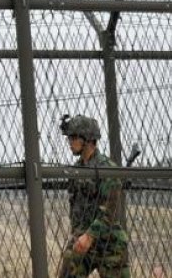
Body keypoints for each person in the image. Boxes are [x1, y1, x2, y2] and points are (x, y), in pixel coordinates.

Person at [56, 114, 130, 278]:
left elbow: (109, 212)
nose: (70, 142)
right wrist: (78, 233)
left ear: (88, 140)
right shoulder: (76, 170)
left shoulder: (106, 168)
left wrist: (89, 236)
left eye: (74, 137)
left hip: (108, 244)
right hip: (81, 240)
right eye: (69, 137)